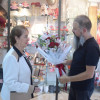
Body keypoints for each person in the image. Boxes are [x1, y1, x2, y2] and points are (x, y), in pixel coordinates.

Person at [59, 15, 100, 100]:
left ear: (84, 30)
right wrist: (65, 62)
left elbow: (89, 74)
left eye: (75, 29)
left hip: (83, 89)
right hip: (75, 86)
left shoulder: (92, 47)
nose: (73, 31)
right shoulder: (83, 42)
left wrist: (68, 79)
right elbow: (79, 61)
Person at [1, 25, 39, 100]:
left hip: (21, 96)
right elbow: (10, 83)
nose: (28, 39)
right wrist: (31, 88)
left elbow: (22, 69)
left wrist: (37, 72)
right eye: (25, 36)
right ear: (16, 38)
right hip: (13, 97)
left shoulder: (21, 52)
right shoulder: (11, 57)